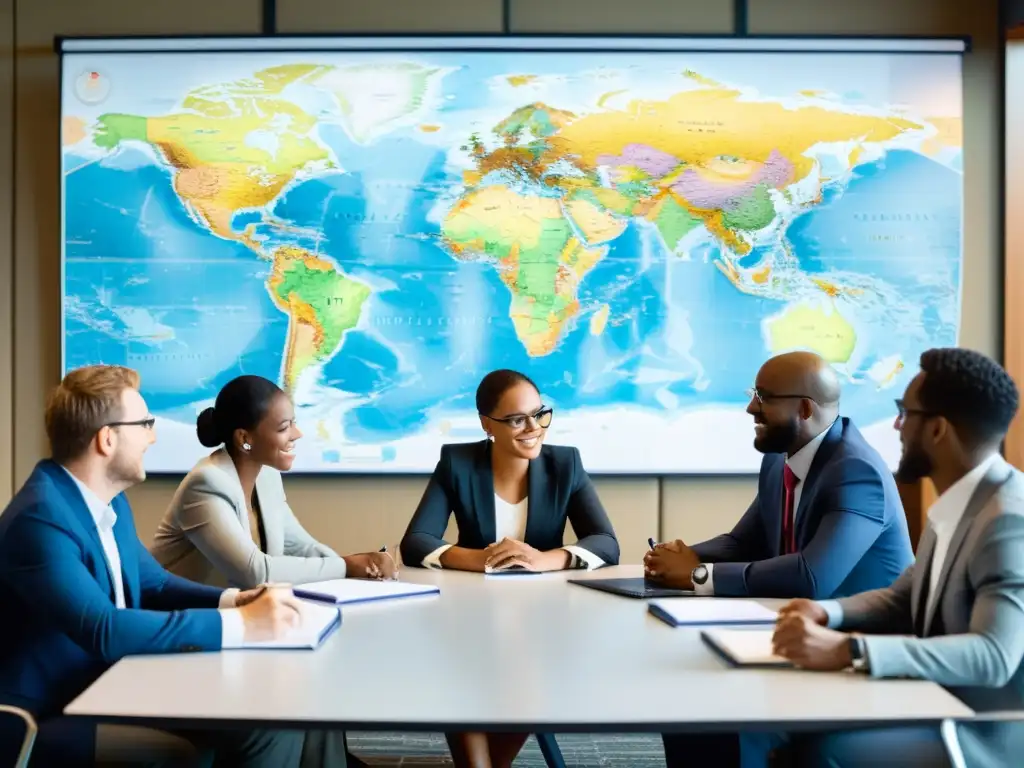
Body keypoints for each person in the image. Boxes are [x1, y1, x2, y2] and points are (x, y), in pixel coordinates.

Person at [0, 365, 305, 767]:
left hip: (106, 684)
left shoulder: (107, 500)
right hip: (46, 714)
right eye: (144, 424)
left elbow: (155, 584)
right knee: (180, 752)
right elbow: (105, 629)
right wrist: (245, 624)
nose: (154, 436)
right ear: (107, 439)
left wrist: (237, 601)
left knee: (276, 716)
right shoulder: (41, 519)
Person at [648, 351, 914, 767]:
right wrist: (683, 555)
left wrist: (697, 574)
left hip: (858, 648)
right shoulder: (780, 459)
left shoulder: (856, 471)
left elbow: (812, 577)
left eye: (763, 397)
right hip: (799, 630)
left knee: (716, 703)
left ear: (804, 408)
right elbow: (743, 542)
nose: (750, 407)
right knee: (682, 697)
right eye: (753, 394)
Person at [771, 347, 1024, 767]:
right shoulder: (960, 504)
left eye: (905, 412)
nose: (897, 425)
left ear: (938, 430)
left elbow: (993, 656)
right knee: (791, 728)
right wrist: (826, 612)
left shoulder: (1007, 521)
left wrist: (849, 650)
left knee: (819, 753)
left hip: (981, 732)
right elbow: (902, 597)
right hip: (931, 696)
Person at [400, 368, 619, 768]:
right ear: (488, 425)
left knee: (529, 665)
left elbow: (606, 542)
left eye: (540, 414)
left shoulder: (565, 464)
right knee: (459, 662)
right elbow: (415, 542)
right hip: (470, 612)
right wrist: (479, 558)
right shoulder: (457, 462)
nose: (533, 428)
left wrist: (542, 560)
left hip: (543, 617)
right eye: (517, 419)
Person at [151, 374, 395, 589]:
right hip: (174, 626)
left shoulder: (267, 478)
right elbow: (255, 573)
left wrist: (364, 564)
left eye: (294, 423)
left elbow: (303, 548)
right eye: (283, 428)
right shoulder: (205, 484)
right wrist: (346, 566)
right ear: (244, 438)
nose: (297, 434)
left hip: (234, 618)